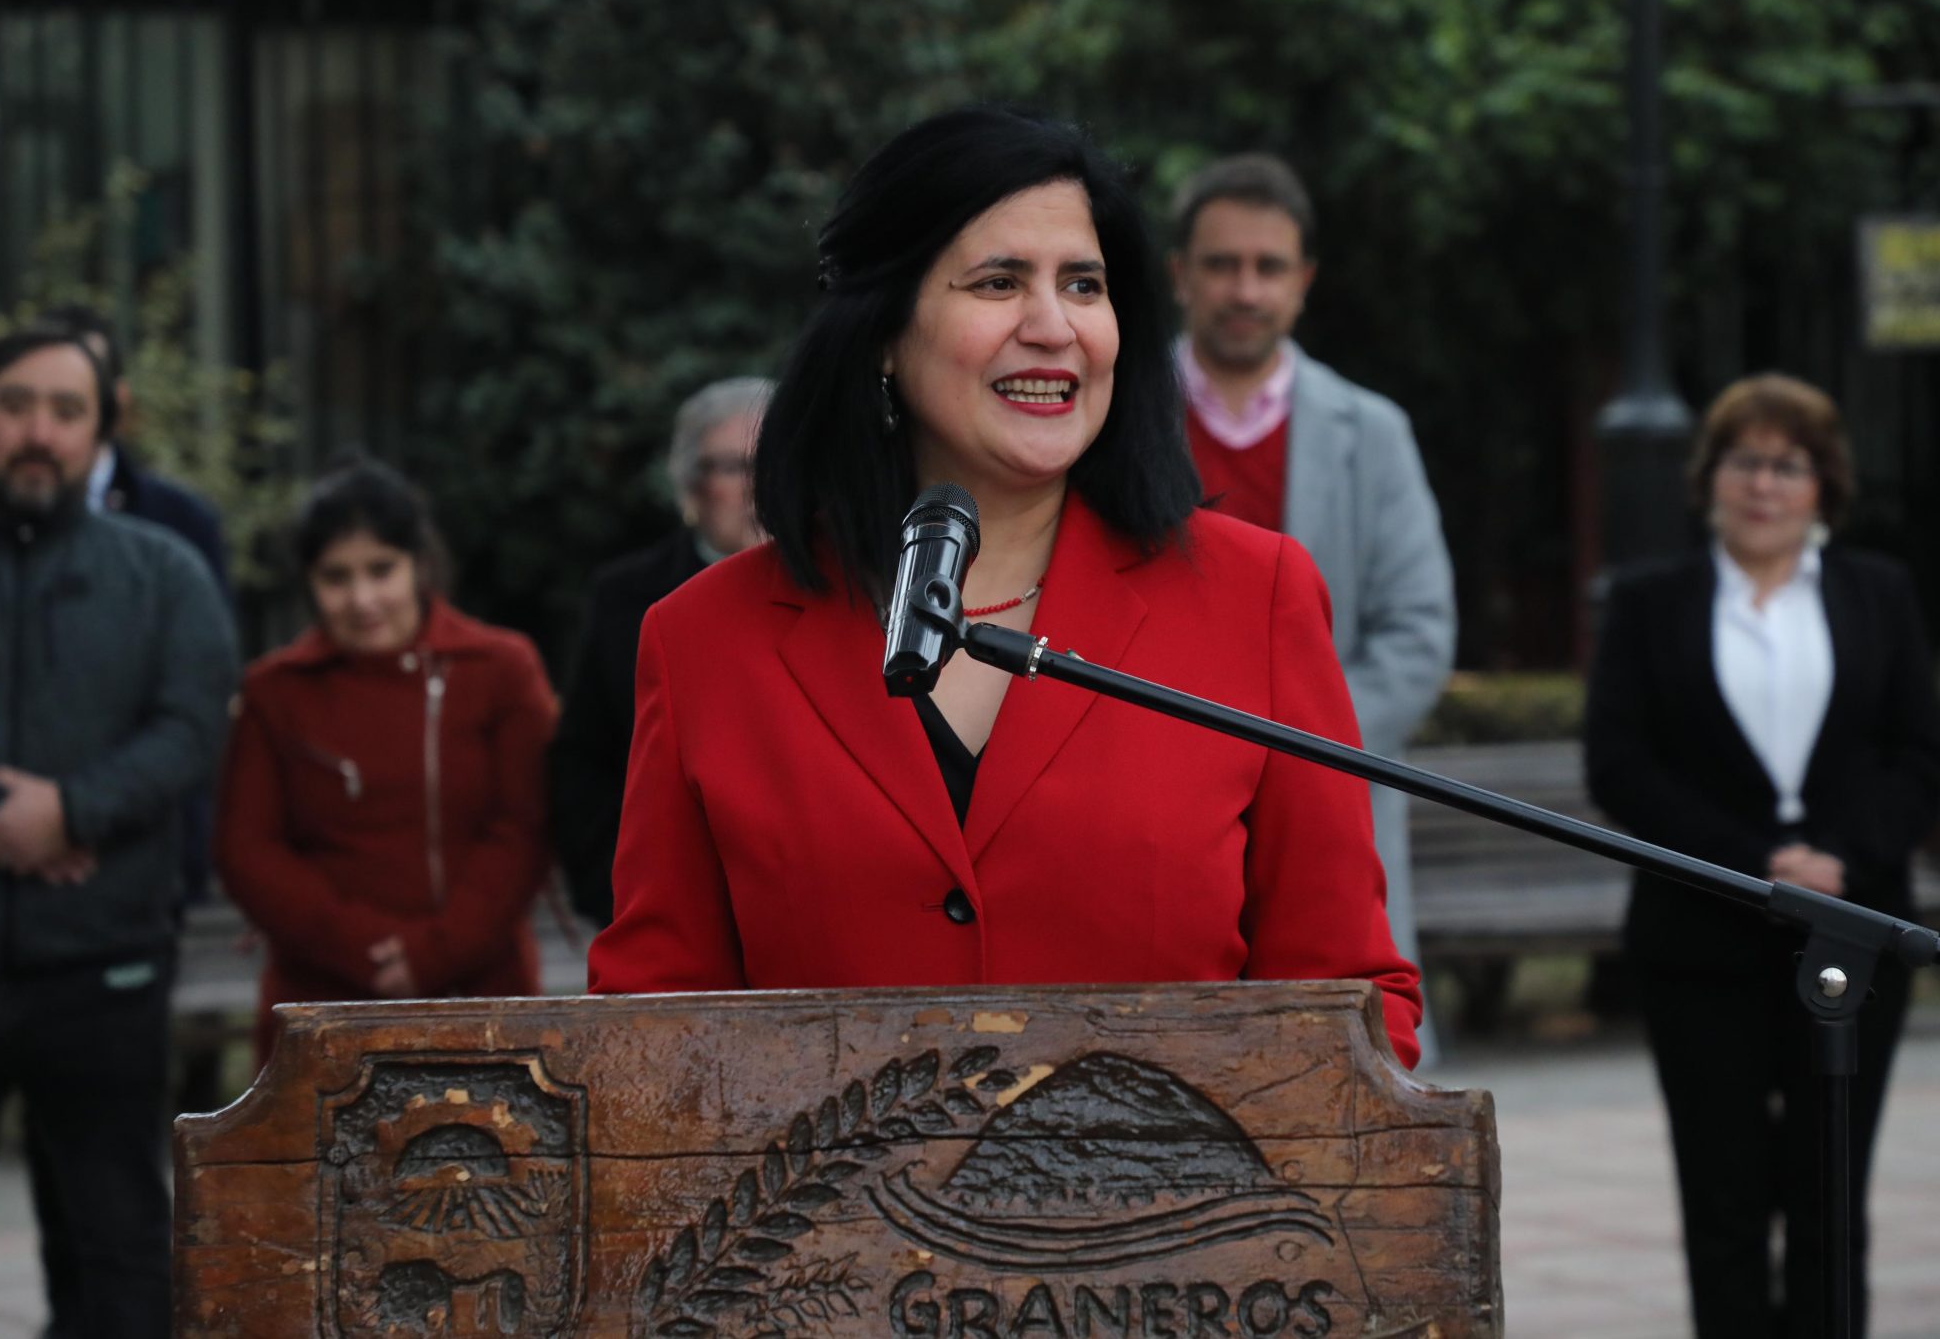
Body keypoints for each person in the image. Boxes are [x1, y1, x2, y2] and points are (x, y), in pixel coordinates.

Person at [585, 106, 1421, 1066]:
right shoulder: (705, 639)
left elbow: (1349, 999)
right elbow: (651, 1022)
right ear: (882, 334)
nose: (1053, 327)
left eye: (1083, 284)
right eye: (997, 282)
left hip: (1174, 1212)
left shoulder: (1255, 595)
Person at [0, 324, 238, 1338]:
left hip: (104, 965)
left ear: (102, 430)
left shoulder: (165, 573)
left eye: (65, 410)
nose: (38, 431)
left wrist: (75, 810)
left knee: (119, 1240)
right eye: (13, 406)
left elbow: (190, 721)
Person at [1584, 373, 1940, 1339]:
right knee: (1725, 1203)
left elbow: (1918, 751)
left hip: (1850, 936)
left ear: (1824, 483)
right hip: (1701, 939)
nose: (1765, 485)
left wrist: (1842, 860)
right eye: (1746, 461)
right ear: (1712, 478)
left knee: (1831, 1200)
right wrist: (1754, 864)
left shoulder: (1880, 592)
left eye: (1790, 465)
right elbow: (1620, 762)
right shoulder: (1653, 600)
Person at [1167, 153, 1456, 1062]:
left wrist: (1300, 753)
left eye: (1268, 266)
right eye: (1221, 264)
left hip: (1327, 783)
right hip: (1156, 785)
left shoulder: (1370, 432)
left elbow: (1417, 632)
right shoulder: (1111, 416)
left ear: (1304, 282)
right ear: (1180, 274)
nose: (1244, 289)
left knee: (1339, 1055)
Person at [216, 456, 558, 1067]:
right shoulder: (276, 691)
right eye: (335, 577)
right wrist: (364, 947)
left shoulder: (501, 669)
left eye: (382, 570)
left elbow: (524, 828)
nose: (362, 598)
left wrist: (436, 951)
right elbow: (249, 851)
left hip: (479, 991)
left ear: (419, 565)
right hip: (321, 1001)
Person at [548, 376, 771, 922]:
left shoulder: (849, 592)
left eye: (775, 462)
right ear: (691, 485)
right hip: (667, 910)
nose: (760, 486)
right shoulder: (627, 596)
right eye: (737, 468)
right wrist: (619, 895)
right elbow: (584, 762)